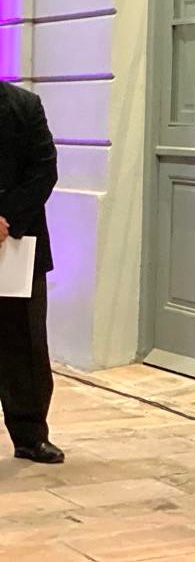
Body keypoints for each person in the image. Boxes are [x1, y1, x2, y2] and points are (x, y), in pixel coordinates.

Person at [0, 81, 63, 464]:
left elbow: (44, 169)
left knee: (25, 343)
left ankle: (30, 436)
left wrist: (6, 217)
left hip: (18, 245)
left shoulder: (25, 105)